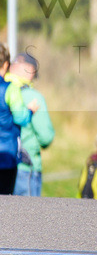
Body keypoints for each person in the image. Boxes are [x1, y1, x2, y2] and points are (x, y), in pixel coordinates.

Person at [8, 53, 55, 197]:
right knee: (28, 217)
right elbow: (46, 137)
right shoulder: (33, 96)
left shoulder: (3, 90)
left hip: (5, 163)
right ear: (29, 69)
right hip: (25, 167)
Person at [0, 43, 36, 195]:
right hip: (6, 156)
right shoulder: (11, 89)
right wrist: (30, 111)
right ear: (6, 64)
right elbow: (21, 118)